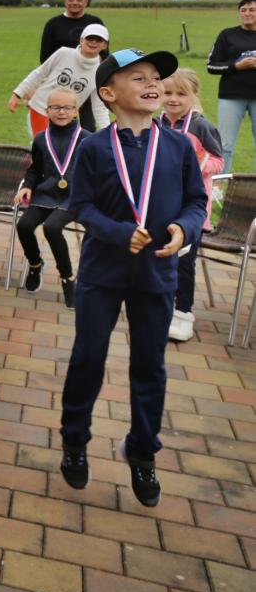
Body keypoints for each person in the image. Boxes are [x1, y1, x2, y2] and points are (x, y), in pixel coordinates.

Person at [58, 48, 205, 508]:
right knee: (88, 357)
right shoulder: (93, 147)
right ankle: (75, 440)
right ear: (108, 93)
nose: (152, 83)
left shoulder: (179, 146)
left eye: (156, 77)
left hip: (157, 273)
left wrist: (184, 229)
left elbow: (197, 202)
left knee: (150, 365)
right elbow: (81, 206)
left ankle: (142, 450)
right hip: (102, 273)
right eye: (138, 77)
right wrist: (119, 232)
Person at [158, 68, 224, 342]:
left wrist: (195, 164)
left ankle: (183, 312)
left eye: (181, 94)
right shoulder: (156, 123)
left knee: (184, 261)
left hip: (192, 208)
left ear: (194, 95)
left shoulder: (201, 127)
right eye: (168, 92)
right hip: (161, 205)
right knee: (159, 256)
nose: (173, 99)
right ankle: (160, 306)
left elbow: (218, 161)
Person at [13, 86, 84, 305]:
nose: (61, 112)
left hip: (74, 198)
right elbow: (35, 170)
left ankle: (67, 279)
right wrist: (27, 185)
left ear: (76, 111)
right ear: (47, 111)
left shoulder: (87, 139)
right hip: (46, 194)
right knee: (24, 225)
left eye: (67, 108)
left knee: (52, 228)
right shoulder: (41, 139)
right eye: (56, 107)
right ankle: (35, 265)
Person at [9, 24, 112, 135]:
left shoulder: (100, 72)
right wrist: (17, 94)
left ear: (104, 45)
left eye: (98, 40)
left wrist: (108, 134)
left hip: (67, 117)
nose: (93, 42)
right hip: (41, 109)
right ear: (81, 40)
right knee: (44, 143)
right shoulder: (64, 53)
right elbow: (39, 73)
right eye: (90, 38)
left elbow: (99, 108)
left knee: (67, 145)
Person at [207, 0, 256, 170]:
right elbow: (211, 66)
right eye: (243, 10)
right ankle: (220, 182)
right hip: (231, 97)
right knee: (225, 144)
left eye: (252, 9)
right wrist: (236, 66)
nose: (247, 13)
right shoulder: (227, 35)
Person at [39, 0, 104, 62]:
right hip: (62, 69)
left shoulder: (96, 23)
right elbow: (45, 58)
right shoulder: (52, 24)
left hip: (90, 68)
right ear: (65, 2)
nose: (75, 2)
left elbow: (104, 54)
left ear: (86, 2)